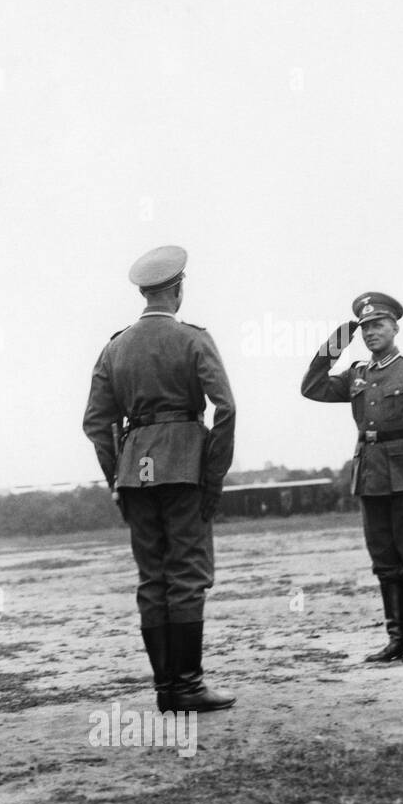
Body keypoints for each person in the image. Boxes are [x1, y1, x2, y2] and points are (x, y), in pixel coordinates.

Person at [82, 245, 236, 713]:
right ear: (177, 289)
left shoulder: (115, 346)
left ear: (145, 292)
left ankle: (166, 687)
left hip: (135, 473)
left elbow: (95, 422)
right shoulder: (193, 339)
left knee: (153, 578)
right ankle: (187, 686)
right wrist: (212, 474)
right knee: (187, 574)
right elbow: (225, 409)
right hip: (184, 466)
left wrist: (118, 477)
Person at [301, 293, 403, 662]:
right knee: (383, 559)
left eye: (378, 325)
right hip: (370, 474)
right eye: (365, 327)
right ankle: (396, 638)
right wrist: (337, 342)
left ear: (395, 328)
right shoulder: (357, 375)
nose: (371, 333)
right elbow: (312, 387)